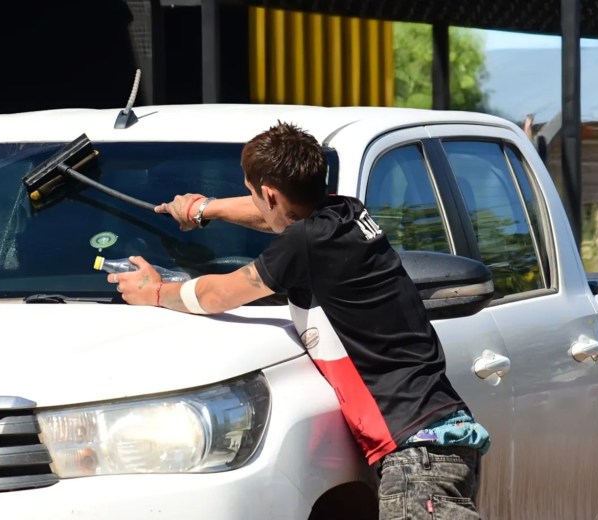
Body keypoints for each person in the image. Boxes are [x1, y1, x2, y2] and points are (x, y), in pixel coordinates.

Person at [107, 122, 490, 519]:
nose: (255, 203)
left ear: (270, 194)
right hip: (437, 441)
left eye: (254, 193)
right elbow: (275, 217)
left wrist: (155, 291)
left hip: (416, 457)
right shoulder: (345, 213)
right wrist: (206, 209)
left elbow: (219, 294)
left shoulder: (304, 242)